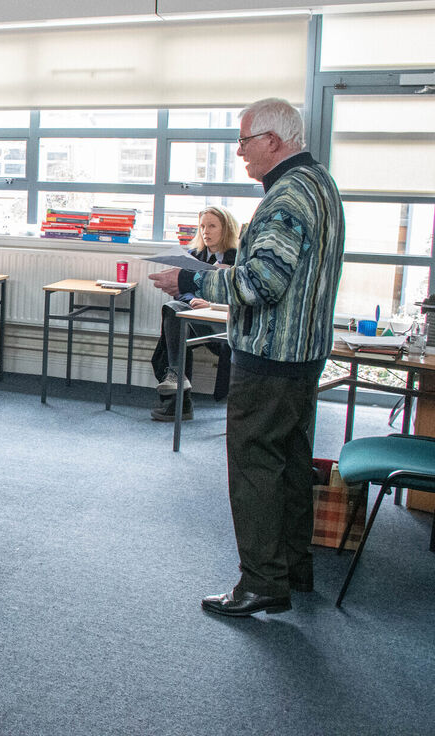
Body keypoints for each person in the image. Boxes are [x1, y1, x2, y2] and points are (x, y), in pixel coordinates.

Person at [148, 98, 345, 617]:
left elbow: (260, 283)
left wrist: (189, 277)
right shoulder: (321, 184)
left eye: (243, 141)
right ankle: (293, 568)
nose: (239, 153)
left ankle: (261, 582)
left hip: (271, 357)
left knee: (255, 467)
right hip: (304, 356)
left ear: (274, 141)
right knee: (291, 463)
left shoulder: (285, 199)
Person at [148, 206, 239, 422]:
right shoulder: (195, 255)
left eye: (212, 226)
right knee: (173, 311)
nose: (206, 231)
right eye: (202, 226)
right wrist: (192, 300)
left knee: (174, 329)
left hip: (222, 322)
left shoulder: (236, 257)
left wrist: (209, 300)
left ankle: (179, 400)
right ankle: (179, 389)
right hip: (195, 318)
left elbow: (237, 292)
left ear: (226, 229)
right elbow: (181, 291)